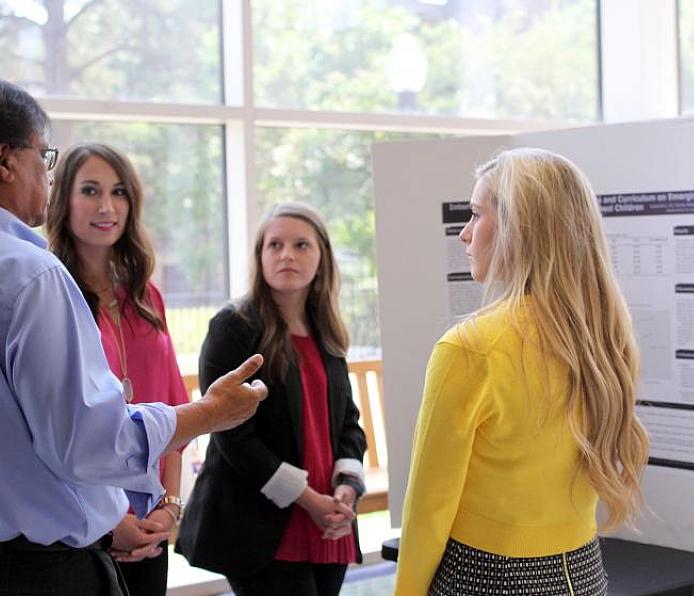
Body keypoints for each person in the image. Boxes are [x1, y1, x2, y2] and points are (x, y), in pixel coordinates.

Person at [0, 77, 267, 596]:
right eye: (43, 158)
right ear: (5, 161)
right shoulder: (28, 274)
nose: (46, 176)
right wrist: (211, 414)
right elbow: (88, 444)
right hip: (33, 575)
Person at [395, 148, 650, 596]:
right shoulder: (604, 336)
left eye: (476, 215)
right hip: (584, 573)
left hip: (485, 577)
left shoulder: (469, 349)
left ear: (518, 227)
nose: (465, 234)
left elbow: (428, 508)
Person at [176, 202, 367, 596]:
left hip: (328, 517)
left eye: (301, 245)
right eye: (275, 245)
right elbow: (233, 437)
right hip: (259, 522)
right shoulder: (233, 327)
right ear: (260, 256)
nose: (286, 255)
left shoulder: (326, 332)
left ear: (322, 258)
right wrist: (309, 499)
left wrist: (346, 487)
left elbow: (348, 420)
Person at [47, 142, 188, 595]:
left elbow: (174, 414)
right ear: (62, 200)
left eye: (119, 192)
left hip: (150, 527)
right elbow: (56, 430)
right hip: (84, 529)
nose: (107, 206)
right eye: (90, 190)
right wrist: (114, 522)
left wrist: (168, 507)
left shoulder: (148, 297)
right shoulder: (50, 297)